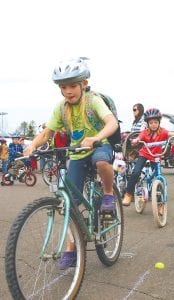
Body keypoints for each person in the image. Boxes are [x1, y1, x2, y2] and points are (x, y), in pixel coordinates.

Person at [24, 57, 118, 269]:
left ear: (84, 84)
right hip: (76, 152)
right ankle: (71, 247)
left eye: (73, 85)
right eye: (63, 87)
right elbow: (48, 132)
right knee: (70, 204)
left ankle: (109, 194)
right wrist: (32, 146)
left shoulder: (93, 100)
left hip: (99, 144)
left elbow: (111, 122)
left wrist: (95, 138)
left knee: (102, 162)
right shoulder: (61, 108)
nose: (68, 91)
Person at [122, 108, 174, 206]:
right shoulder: (145, 132)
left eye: (155, 122)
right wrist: (136, 140)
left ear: (159, 122)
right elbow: (140, 137)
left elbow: (170, 134)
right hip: (144, 154)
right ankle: (128, 194)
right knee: (136, 172)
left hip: (156, 156)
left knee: (158, 177)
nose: (153, 124)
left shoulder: (163, 131)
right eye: (151, 123)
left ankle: (160, 204)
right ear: (148, 124)